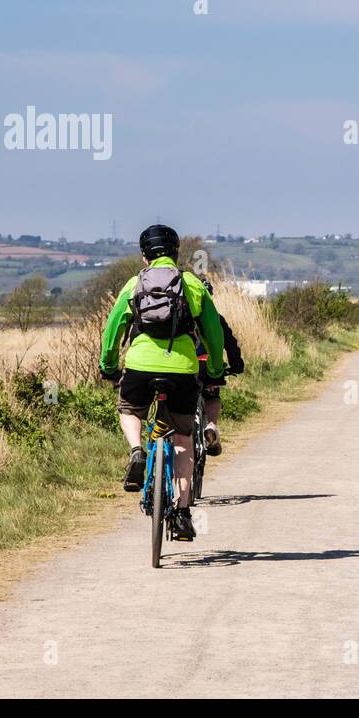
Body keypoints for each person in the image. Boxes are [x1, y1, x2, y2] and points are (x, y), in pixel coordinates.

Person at [99, 225, 225, 541]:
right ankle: (182, 514)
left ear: (145, 256)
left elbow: (112, 330)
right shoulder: (191, 283)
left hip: (140, 365)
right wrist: (214, 369)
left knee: (130, 410)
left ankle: (137, 450)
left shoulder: (134, 284)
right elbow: (213, 331)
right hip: (182, 370)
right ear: (176, 253)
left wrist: (109, 366)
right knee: (183, 438)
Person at [194, 276, 244, 457]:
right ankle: (211, 426)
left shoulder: (177, 317)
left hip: (182, 367)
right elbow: (230, 344)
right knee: (212, 397)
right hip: (207, 367)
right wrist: (237, 365)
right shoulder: (215, 318)